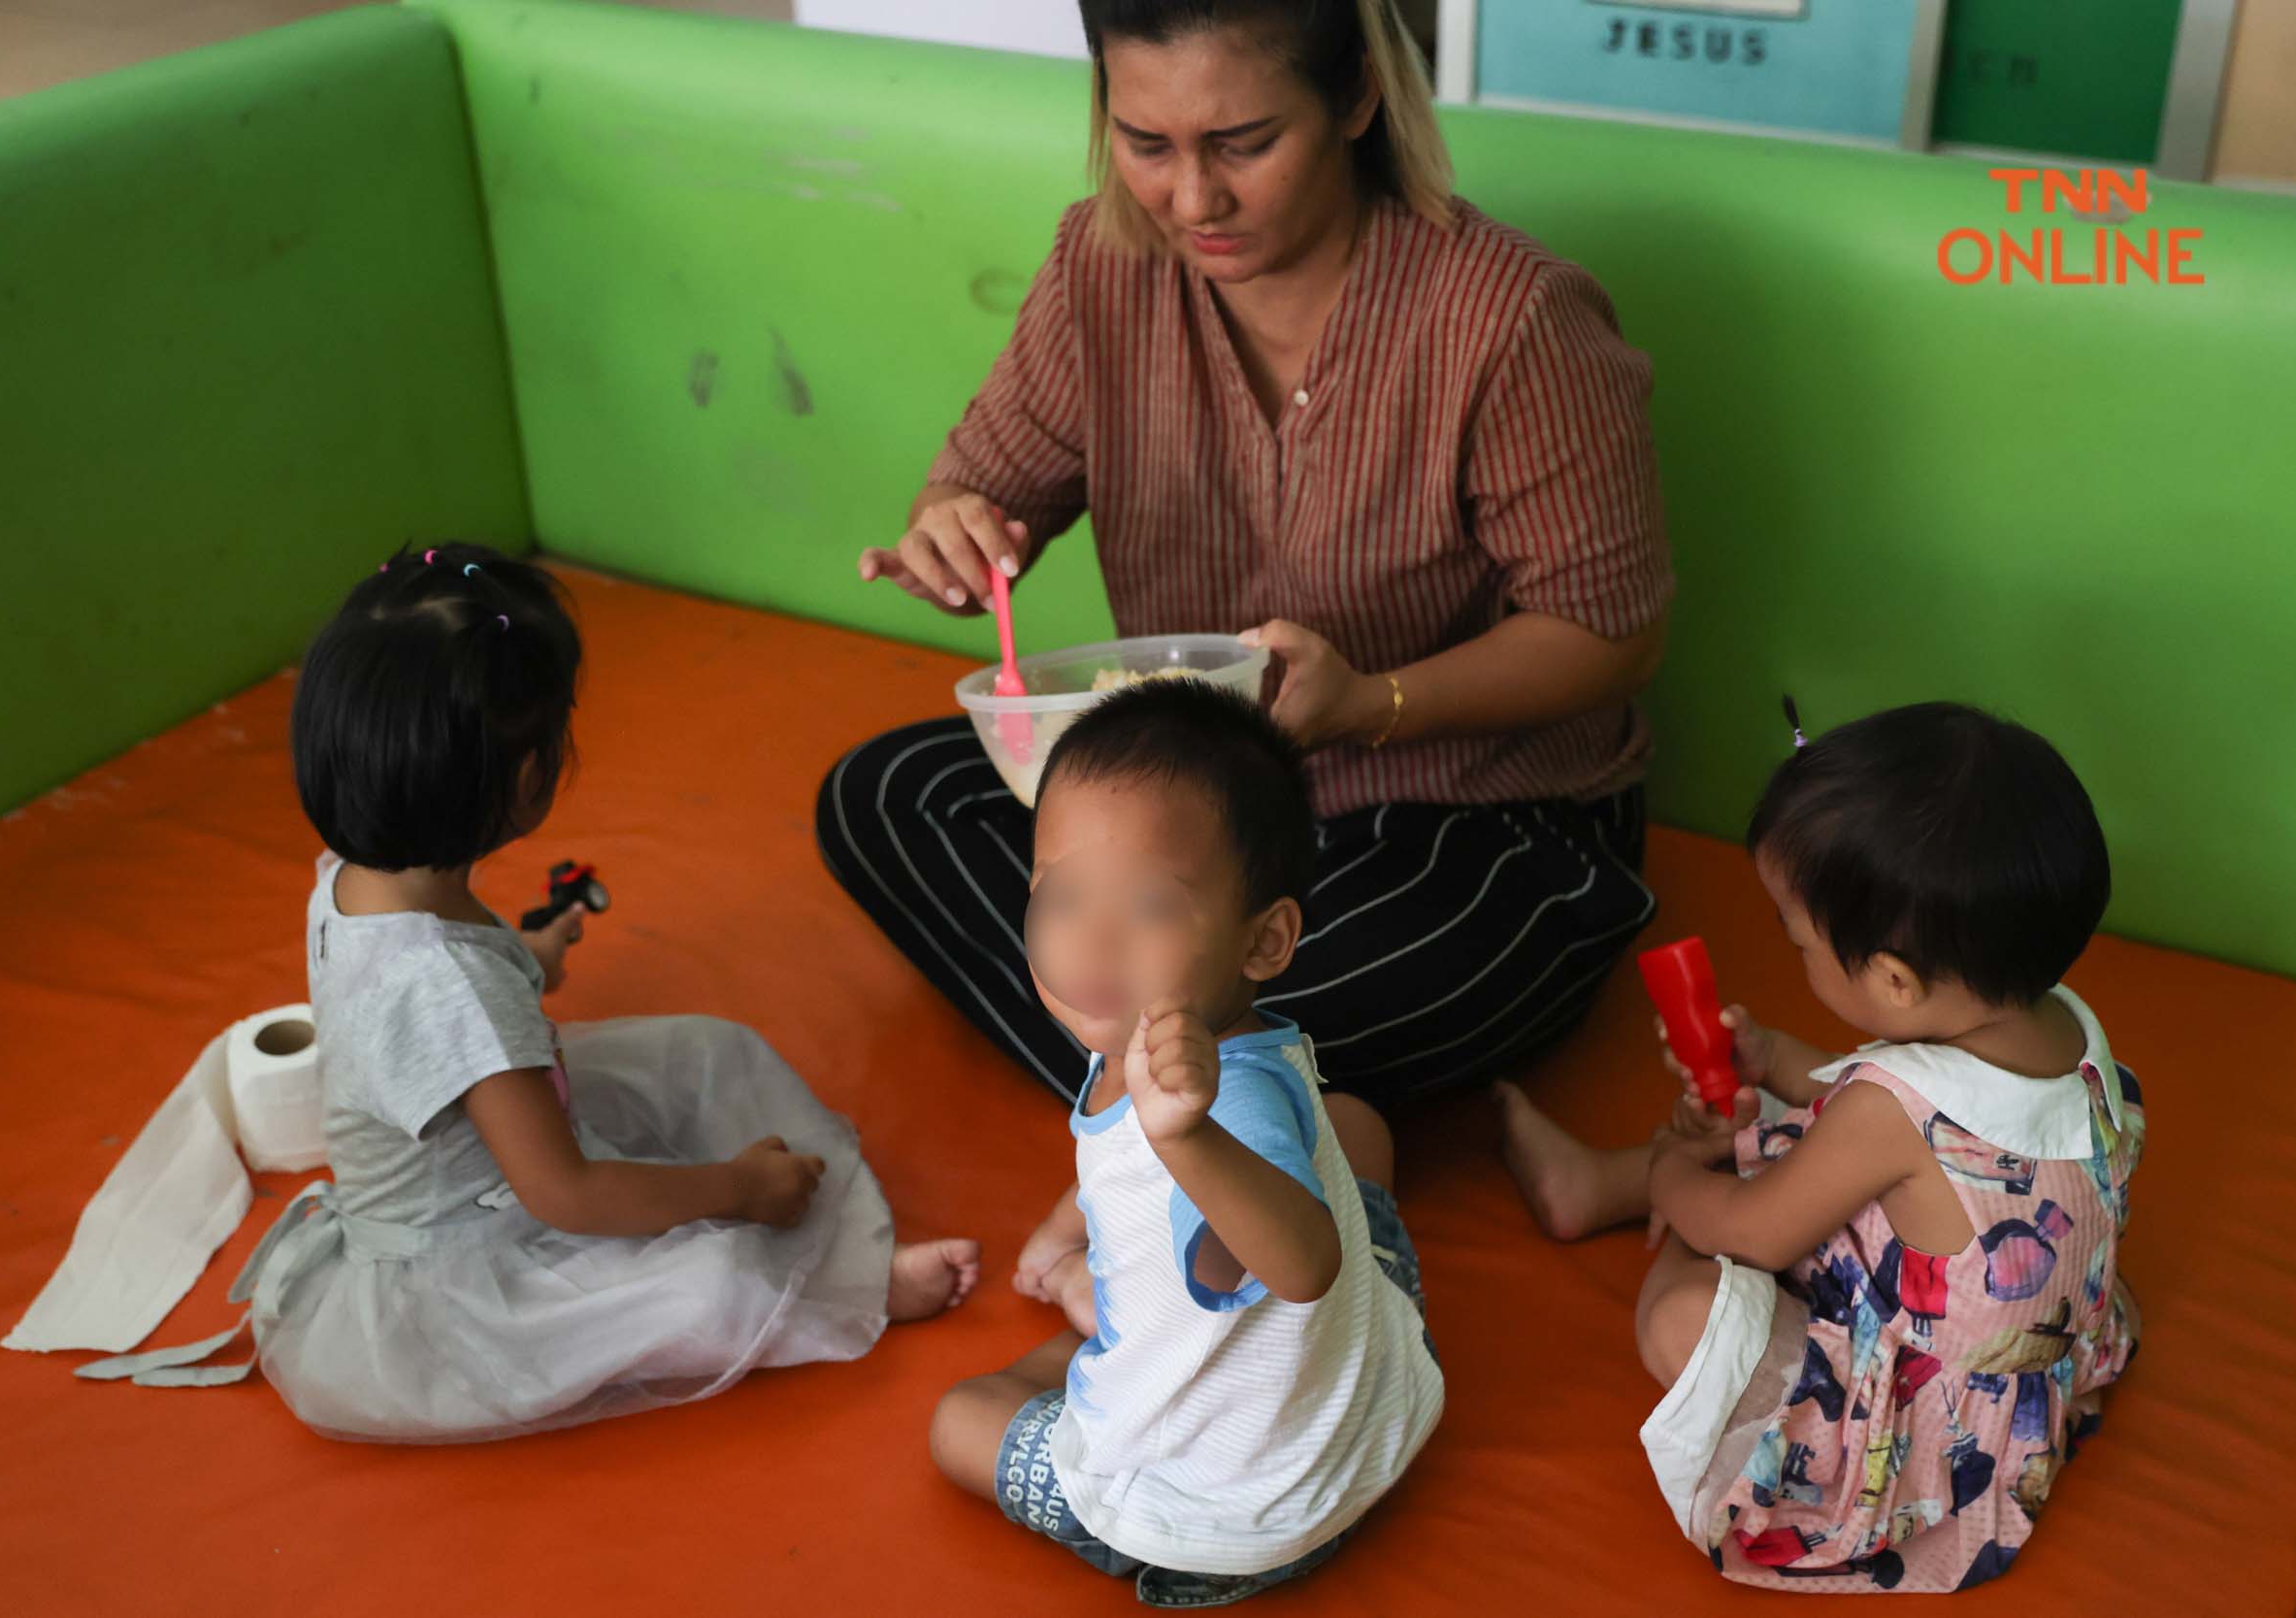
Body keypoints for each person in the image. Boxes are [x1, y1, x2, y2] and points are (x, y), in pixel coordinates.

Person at [819, 0, 1672, 1110]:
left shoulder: (1508, 319)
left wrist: (1369, 700)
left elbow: (1611, 634)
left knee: (1354, 987)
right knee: (886, 796)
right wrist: (953, 525)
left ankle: (1150, 1092)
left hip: (1465, 816)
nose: (1190, 198)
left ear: (1358, 94)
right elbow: (987, 482)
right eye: (1146, 144)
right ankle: (1205, 1104)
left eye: (1243, 144)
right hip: (1193, 805)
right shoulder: (1102, 264)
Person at [96, 545, 980, 1441]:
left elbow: (431, 996)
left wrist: (523, 956)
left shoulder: (355, 879)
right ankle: (859, 1291)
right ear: (528, 780)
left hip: (474, 1147)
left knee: (702, 1054)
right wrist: (735, 1188)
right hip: (463, 1282)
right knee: (712, 1288)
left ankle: (767, 1225)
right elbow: (568, 1193)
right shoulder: (451, 989)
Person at [1496, 703, 2144, 1591]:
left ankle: (1625, 1186)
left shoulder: (1887, 1113)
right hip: (2009, 1333)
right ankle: (1602, 1183)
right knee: (1781, 1117)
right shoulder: (2060, 1020)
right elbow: (1908, 1099)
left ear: (1893, 979)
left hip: (1919, 1434)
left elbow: (1759, 1228)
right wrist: (1773, 1061)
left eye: (1797, 939)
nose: (1791, 949)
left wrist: (1670, 1172)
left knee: (1680, 1314)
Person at [929, 682, 1443, 1604]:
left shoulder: (1217, 1102)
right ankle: (1115, 1320)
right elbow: (1120, 1171)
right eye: (1062, 893)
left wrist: (1187, 1134)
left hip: (1230, 1513)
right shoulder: (1170, 1036)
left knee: (961, 1420)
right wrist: (1074, 1221)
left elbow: (1303, 1261)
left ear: (1266, 939)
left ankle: (1086, 1359)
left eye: (1152, 906)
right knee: (1355, 1121)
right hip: (1360, 1408)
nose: (1090, 937)